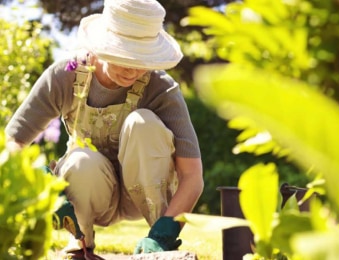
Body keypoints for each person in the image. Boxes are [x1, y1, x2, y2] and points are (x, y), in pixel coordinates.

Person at [5, 0, 204, 259]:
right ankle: (81, 245)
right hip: (88, 192)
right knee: (80, 159)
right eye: (124, 56)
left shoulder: (161, 89)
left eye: (141, 58)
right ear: (101, 46)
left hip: (145, 194)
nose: (133, 69)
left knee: (142, 123)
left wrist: (166, 230)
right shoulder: (64, 77)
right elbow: (11, 145)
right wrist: (38, 182)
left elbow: (192, 176)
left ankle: (157, 245)